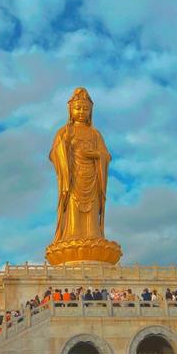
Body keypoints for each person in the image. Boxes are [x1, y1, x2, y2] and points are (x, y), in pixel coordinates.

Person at [49, 88, 112, 243]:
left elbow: (106, 155)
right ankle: (72, 236)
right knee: (72, 205)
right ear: (71, 110)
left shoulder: (95, 134)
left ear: (90, 112)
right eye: (78, 108)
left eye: (85, 109)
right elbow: (54, 153)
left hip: (92, 177)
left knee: (92, 206)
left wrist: (95, 155)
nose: (82, 112)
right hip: (72, 177)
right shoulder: (64, 131)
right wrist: (65, 145)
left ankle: (93, 236)